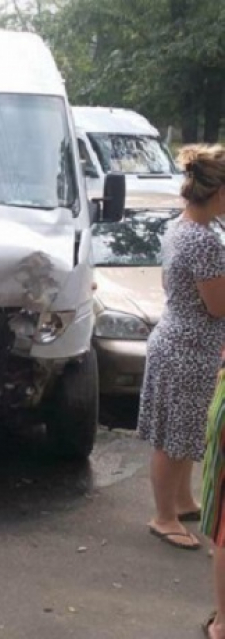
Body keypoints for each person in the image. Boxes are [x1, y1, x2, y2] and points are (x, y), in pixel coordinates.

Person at [137, 144, 225, 552]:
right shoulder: (204, 242)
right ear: (220, 193)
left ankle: (183, 500)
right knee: (173, 440)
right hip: (187, 350)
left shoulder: (182, 226)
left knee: (183, 431)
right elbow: (218, 305)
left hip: (177, 341)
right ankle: (164, 516)